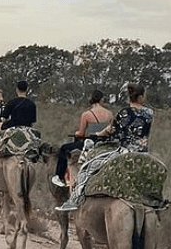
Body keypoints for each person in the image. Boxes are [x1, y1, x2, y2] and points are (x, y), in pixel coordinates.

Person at [56, 82, 153, 213]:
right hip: (143, 154)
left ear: (130, 97)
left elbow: (110, 130)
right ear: (141, 97)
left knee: (86, 168)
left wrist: (97, 134)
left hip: (124, 152)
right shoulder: (149, 113)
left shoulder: (123, 113)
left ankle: (74, 200)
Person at [52, 90, 115, 188]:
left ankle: (59, 177)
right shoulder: (110, 114)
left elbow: (81, 134)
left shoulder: (86, 114)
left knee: (64, 148)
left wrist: (77, 133)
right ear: (101, 99)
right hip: (104, 145)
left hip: (90, 144)